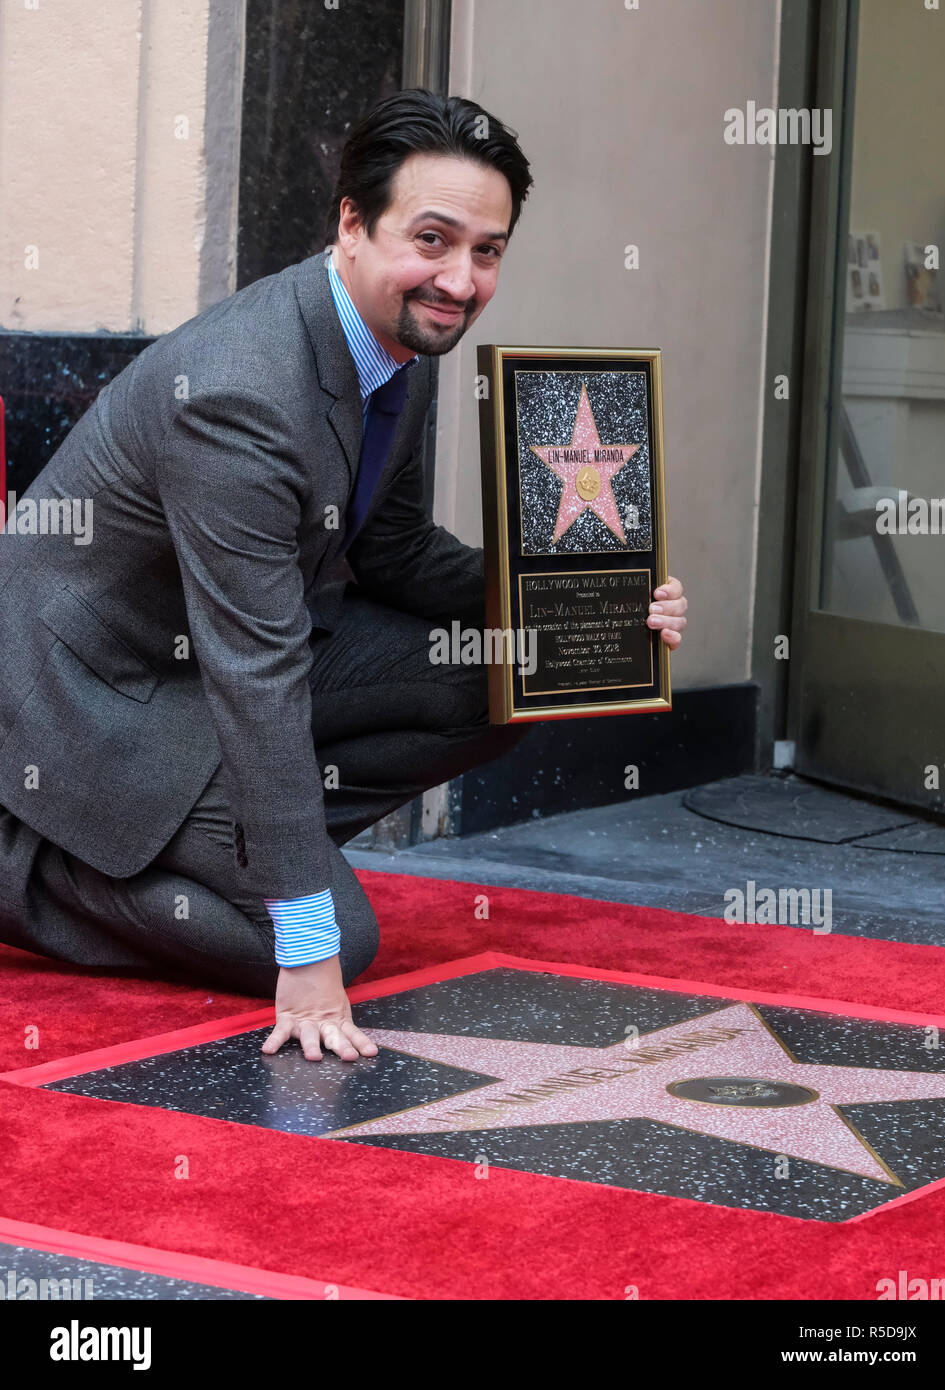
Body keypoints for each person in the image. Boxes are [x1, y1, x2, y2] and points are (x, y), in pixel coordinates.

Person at [0, 89, 688, 1065]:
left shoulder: (401, 338)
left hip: (224, 666)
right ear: (352, 224)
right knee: (342, 937)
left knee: (510, 668)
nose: (460, 279)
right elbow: (255, 667)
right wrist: (309, 943)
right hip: (97, 706)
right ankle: (41, 870)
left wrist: (596, 600)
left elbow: (400, 557)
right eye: (434, 239)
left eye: (486, 251)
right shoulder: (238, 394)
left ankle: (246, 835)